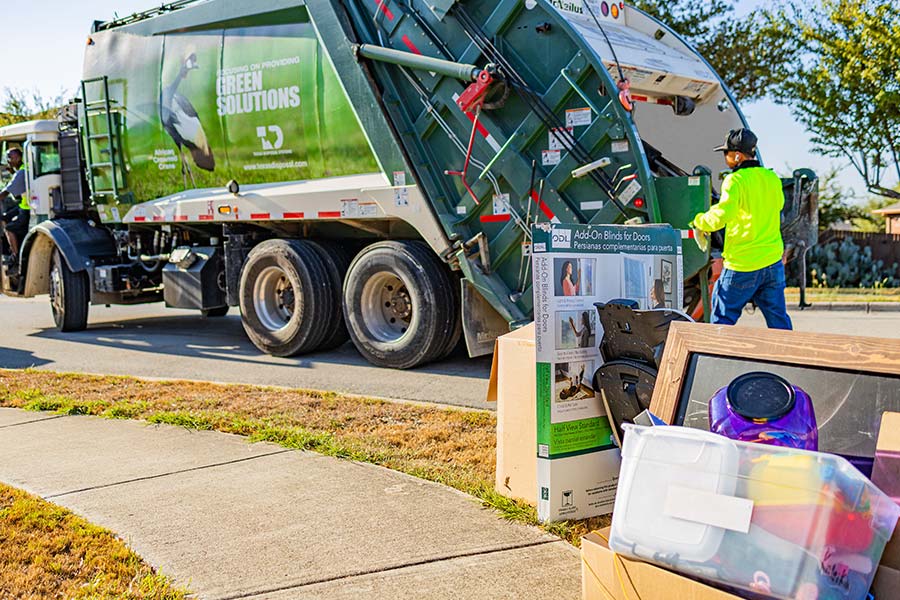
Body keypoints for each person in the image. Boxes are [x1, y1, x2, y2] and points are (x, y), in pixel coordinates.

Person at [690, 128, 792, 330]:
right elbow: (777, 206)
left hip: (743, 264)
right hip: (772, 263)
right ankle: (790, 352)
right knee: (779, 322)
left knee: (722, 321)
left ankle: (716, 351)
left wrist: (699, 221)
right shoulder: (772, 178)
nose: (725, 158)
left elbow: (722, 215)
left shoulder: (735, 180)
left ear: (737, 155)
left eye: (726, 153)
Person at [0, 148, 30, 265]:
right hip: (23, 205)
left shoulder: (21, 172)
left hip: (26, 209)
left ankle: (15, 256)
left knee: (9, 228)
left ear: (18, 158)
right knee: (4, 218)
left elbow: (5, 193)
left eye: (10, 158)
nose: (8, 161)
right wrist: (12, 172)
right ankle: (12, 245)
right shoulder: (23, 169)